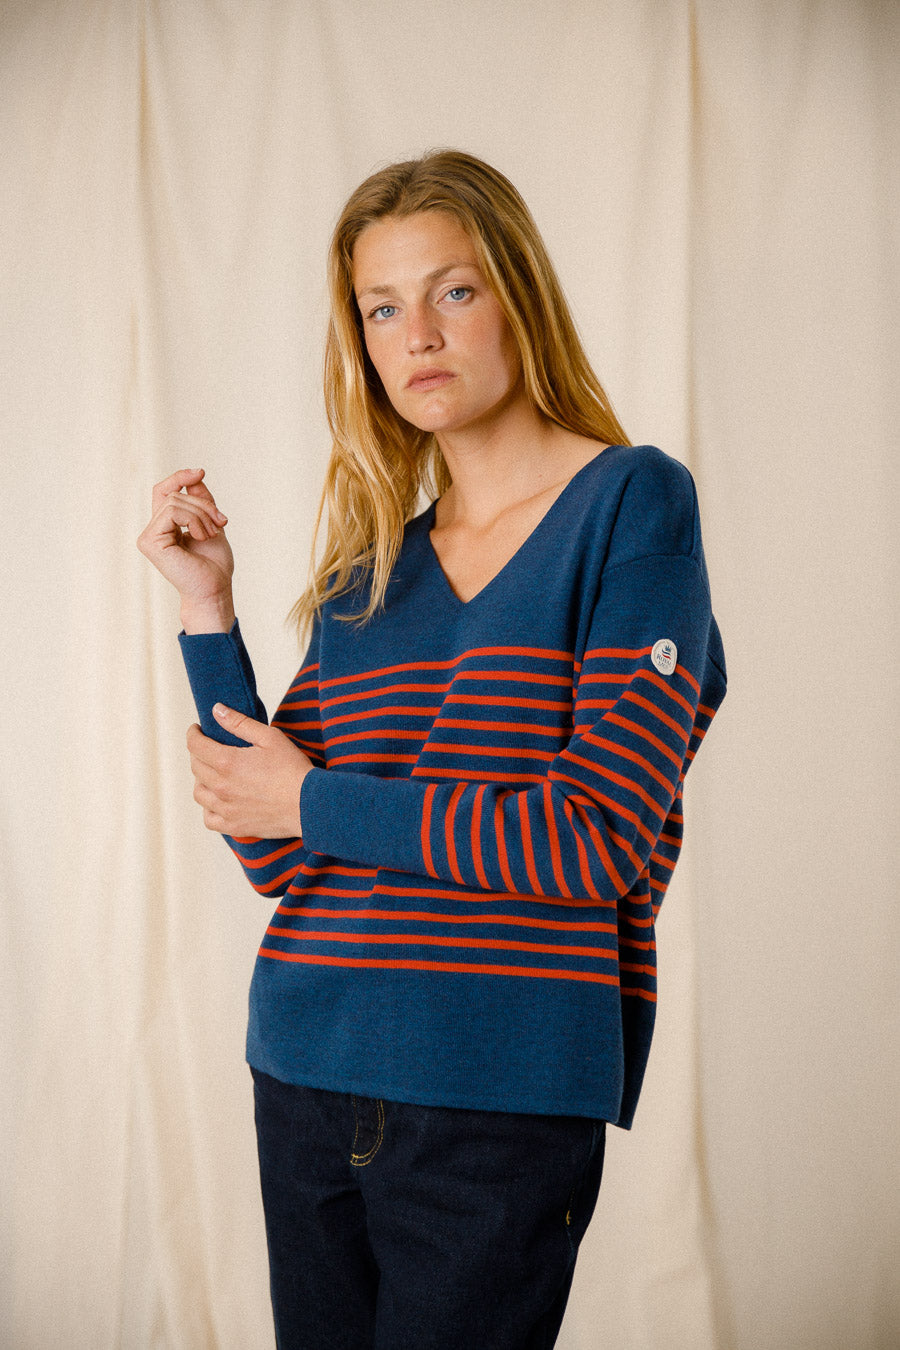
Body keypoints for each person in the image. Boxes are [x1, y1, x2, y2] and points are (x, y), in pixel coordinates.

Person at [137, 149, 726, 1350]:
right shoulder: (374, 565)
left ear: (519, 296)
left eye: (454, 290)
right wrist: (207, 612)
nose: (418, 335)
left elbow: (593, 838)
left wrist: (314, 802)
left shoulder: (633, 506)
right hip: (305, 1073)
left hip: (497, 1094)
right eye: (381, 308)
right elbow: (278, 850)